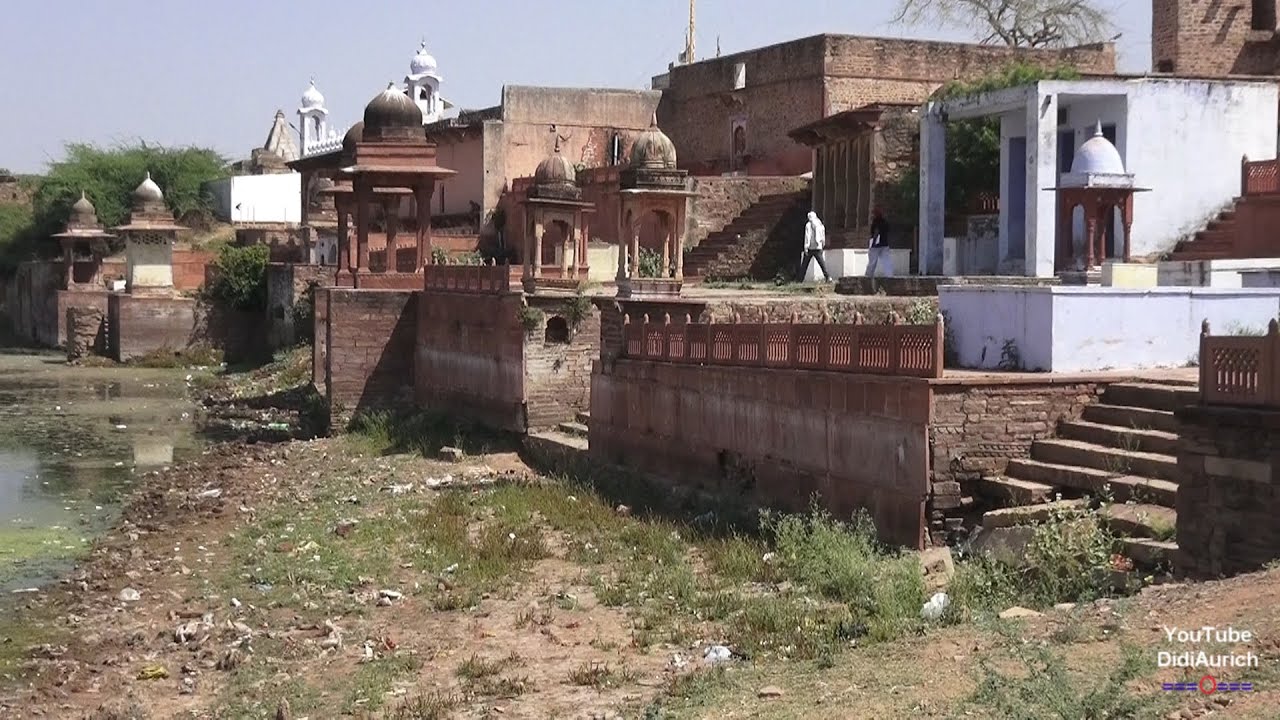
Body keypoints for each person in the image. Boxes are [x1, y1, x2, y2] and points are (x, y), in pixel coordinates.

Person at [799, 211, 832, 282]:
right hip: (818, 247)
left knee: (804, 264)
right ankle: (828, 277)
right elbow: (823, 235)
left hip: (810, 248)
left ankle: (800, 279)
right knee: (822, 263)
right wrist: (823, 243)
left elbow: (807, 236)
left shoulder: (808, 225)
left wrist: (806, 247)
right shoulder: (820, 224)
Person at [866, 207, 893, 277]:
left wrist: (872, 243)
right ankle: (889, 276)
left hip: (876, 245)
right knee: (887, 261)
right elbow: (887, 231)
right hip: (884, 244)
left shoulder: (876, 222)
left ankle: (868, 277)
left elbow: (875, 233)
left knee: (872, 262)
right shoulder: (885, 222)